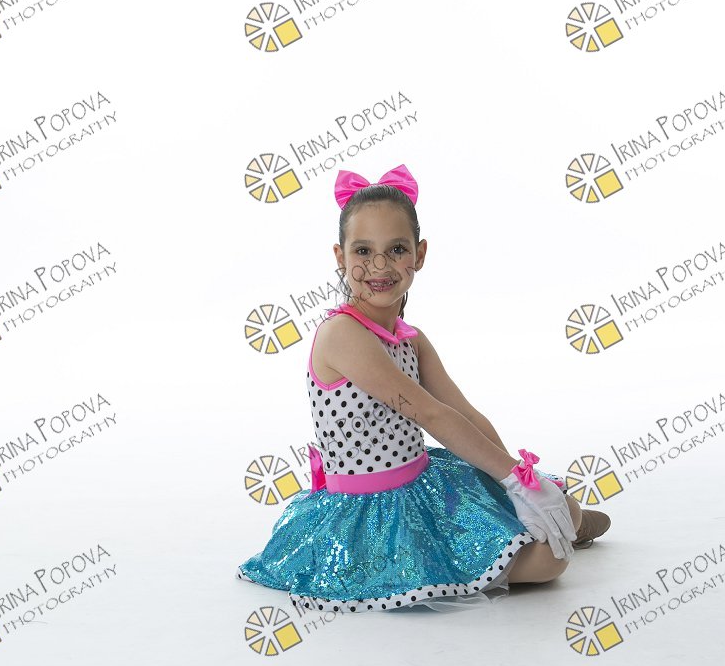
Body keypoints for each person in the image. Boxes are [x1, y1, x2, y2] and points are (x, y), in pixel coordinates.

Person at [236, 164, 611, 614]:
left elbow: (464, 412)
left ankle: (573, 519)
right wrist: (514, 478)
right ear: (340, 256)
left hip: (424, 483)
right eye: (363, 250)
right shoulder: (343, 334)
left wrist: (518, 484)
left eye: (396, 249)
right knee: (551, 563)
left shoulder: (411, 339)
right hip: (371, 513)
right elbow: (430, 414)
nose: (379, 266)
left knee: (559, 505)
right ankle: (569, 524)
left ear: (419, 254)